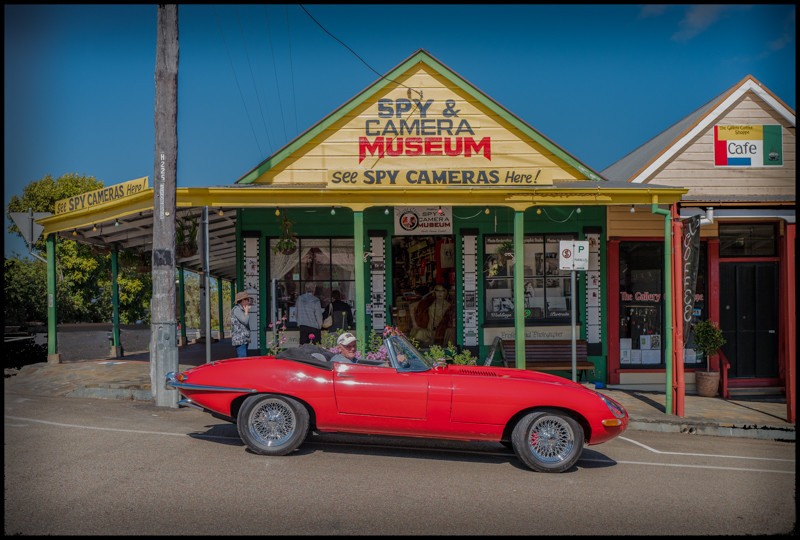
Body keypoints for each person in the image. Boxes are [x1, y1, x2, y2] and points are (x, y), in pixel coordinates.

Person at [231, 291, 252, 357]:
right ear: (243, 300)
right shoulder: (237, 309)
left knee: (244, 359)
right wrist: (246, 312)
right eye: (247, 300)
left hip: (244, 339)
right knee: (242, 359)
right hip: (240, 340)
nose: (248, 302)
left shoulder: (240, 309)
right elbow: (245, 321)